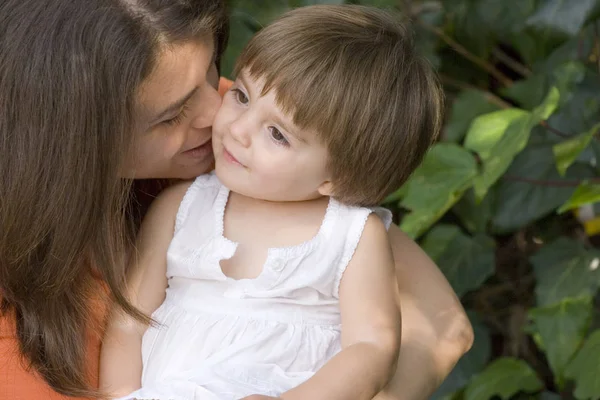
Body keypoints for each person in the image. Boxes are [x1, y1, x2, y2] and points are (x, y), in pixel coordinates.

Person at [0, 1, 473, 399]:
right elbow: (130, 327)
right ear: (71, 143)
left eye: (214, 72)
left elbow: (441, 327)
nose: (218, 114)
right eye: (170, 117)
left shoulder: (256, 133)